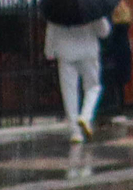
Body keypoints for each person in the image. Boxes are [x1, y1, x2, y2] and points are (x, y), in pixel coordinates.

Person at [43, 13, 109, 143]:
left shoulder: (58, 6)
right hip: (88, 51)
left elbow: (51, 31)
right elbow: (104, 31)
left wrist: (49, 51)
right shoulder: (90, 6)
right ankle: (86, 116)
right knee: (93, 87)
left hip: (65, 52)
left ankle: (75, 132)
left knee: (69, 92)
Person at [98, 0, 133, 123]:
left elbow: (106, 36)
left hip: (112, 53)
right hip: (124, 52)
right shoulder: (125, 17)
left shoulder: (109, 18)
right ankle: (120, 108)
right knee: (120, 84)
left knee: (109, 81)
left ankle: (110, 108)